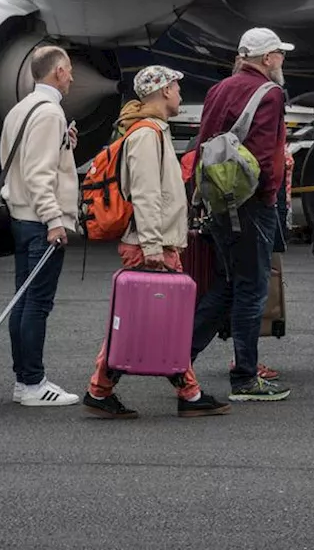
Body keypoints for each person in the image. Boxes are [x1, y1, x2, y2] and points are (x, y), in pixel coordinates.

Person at [83, 66, 231, 419]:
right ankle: (186, 394)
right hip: (152, 245)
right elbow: (147, 195)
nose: (180, 93)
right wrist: (153, 247)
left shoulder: (148, 132)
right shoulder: (147, 135)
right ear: (164, 91)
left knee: (149, 320)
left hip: (154, 242)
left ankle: (106, 389)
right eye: (177, 87)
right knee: (163, 322)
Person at [189, 27, 293, 402]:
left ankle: (180, 360)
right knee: (251, 288)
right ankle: (245, 378)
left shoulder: (221, 88)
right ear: (267, 58)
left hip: (219, 198)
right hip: (250, 203)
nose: (282, 60)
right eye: (279, 54)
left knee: (230, 283)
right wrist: (268, 197)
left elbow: (203, 142)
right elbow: (265, 156)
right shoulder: (270, 92)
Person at [0, 45, 82, 407]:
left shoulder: (21, 109)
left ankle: (24, 380)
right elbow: (38, 173)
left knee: (24, 300)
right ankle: (33, 383)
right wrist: (54, 219)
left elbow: (20, 163)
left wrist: (66, 146)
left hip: (19, 217)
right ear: (58, 72)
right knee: (37, 304)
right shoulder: (50, 114)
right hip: (41, 221)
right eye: (69, 71)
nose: (72, 78)